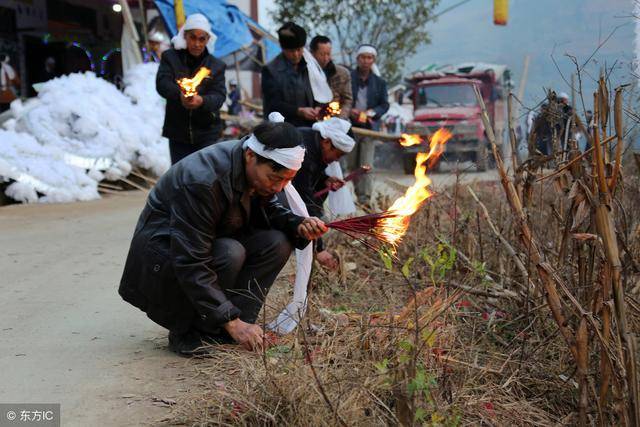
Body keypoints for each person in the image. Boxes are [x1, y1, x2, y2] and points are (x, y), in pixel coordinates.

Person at [119, 121, 328, 357]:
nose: (279, 188)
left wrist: (297, 224)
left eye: (286, 181)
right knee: (230, 252)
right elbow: (190, 260)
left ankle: (231, 328)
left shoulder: (254, 170)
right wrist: (231, 321)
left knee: (277, 243)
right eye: (274, 178)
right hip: (163, 261)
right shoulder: (202, 181)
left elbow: (267, 207)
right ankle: (192, 332)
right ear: (251, 155)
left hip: (207, 244)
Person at [156, 13, 226, 164]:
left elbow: (219, 96)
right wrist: (179, 95)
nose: (197, 44)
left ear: (208, 40)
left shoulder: (216, 66)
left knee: (205, 178)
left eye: (202, 39)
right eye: (193, 37)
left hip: (207, 132)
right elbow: (162, 84)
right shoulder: (170, 58)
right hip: (177, 133)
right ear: (185, 36)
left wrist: (202, 101)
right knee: (180, 178)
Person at [291, 118, 355, 269]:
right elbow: (303, 199)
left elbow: (311, 178)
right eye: (337, 155)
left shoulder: (315, 143)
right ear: (326, 142)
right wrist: (319, 248)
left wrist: (325, 180)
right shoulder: (305, 151)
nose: (335, 161)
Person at [349, 45, 389, 203]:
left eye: (369, 58)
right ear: (357, 59)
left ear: (373, 60)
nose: (366, 61)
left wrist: (371, 112)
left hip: (370, 129)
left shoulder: (379, 83)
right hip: (350, 127)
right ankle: (359, 192)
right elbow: (340, 99)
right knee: (352, 165)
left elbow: (384, 105)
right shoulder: (348, 78)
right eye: (363, 57)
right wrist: (350, 111)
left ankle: (364, 199)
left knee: (366, 164)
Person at [262, 22, 318, 127]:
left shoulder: (311, 67)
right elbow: (272, 103)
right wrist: (298, 111)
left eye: (299, 49)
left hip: (309, 126)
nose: (296, 54)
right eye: (291, 51)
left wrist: (318, 107)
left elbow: (319, 91)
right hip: (282, 128)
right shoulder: (271, 70)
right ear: (283, 49)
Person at [309, 35, 352, 120]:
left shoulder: (342, 73)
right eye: (322, 54)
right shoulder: (304, 72)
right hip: (310, 117)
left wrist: (340, 119)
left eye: (328, 54)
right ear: (312, 53)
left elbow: (347, 101)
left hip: (335, 119)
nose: (326, 58)